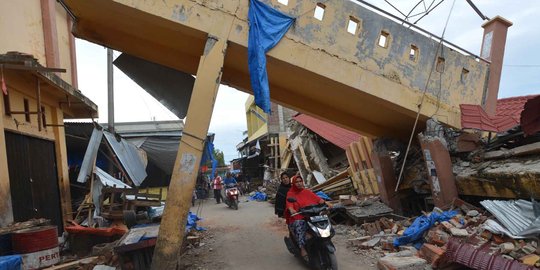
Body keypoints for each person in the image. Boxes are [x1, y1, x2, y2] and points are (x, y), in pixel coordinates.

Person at [285, 175, 331, 261]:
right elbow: (289, 204)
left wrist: (327, 204)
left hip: (310, 215)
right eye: (296, 182)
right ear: (293, 183)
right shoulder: (290, 193)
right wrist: (292, 210)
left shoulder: (307, 192)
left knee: (322, 220)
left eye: (300, 181)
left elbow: (318, 199)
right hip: (297, 216)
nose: (299, 183)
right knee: (300, 224)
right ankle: (302, 248)